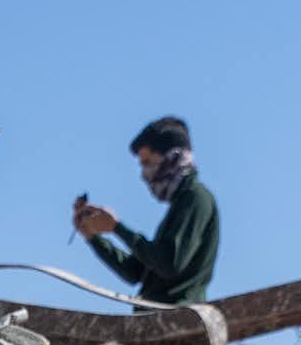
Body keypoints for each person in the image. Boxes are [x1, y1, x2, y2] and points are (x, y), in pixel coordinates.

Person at [71, 115, 219, 304]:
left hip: (177, 316)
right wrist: (93, 237)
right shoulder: (180, 204)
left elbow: (169, 264)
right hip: (158, 317)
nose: (145, 174)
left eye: (148, 163)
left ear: (173, 158)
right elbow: (136, 272)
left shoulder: (196, 199)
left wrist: (117, 228)